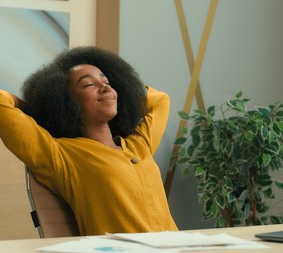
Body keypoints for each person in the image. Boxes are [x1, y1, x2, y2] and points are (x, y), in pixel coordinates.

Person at [0, 46, 178, 236]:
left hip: (177, 252)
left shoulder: (139, 145)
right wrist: (39, 110)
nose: (105, 87)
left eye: (107, 82)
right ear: (67, 101)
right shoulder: (59, 156)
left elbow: (160, 100)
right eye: (88, 85)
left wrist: (126, 100)